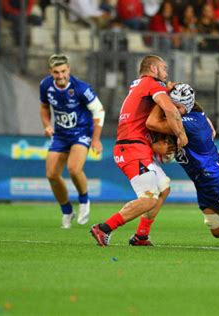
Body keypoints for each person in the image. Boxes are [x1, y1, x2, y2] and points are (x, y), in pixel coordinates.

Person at [90, 55, 188, 247]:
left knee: (164, 189)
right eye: (164, 68)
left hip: (134, 146)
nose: (166, 73)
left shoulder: (141, 85)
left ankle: (141, 236)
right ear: (153, 68)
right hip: (132, 148)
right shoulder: (151, 83)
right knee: (149, 199)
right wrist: (181, 134)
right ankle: (103, 228)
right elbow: (169, 109)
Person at [146, 83, 219, 238]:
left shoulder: (189, 122)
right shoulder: (191, 117)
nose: (172, 111)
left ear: (187, 106)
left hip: (216, 179)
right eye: (170, 107)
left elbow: (152, 123)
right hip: (203, 183)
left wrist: (162, 95)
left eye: (176, 107)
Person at [39, 54, 105, 229]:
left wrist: (96, 140)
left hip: (81, 132)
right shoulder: (45, 85)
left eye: (63, 71)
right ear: (50, 72)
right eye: (56, 72)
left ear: (69, 69)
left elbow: (99, 112)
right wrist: (46, 125)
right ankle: (67, 211)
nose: (60, 76)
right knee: (52, 175)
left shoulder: (81, 88)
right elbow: (44, 107)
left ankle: (84, 201)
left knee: (74, 169)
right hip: (60, 134)